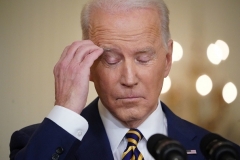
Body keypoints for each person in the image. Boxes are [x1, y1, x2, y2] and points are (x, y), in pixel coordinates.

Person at [9, 0, 240, 160]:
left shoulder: (218, 151)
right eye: (111, 59)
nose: (129, 79)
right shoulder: (35, 144)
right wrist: (66, 110)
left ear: (168, 60)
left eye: (143, 58)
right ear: (89, 65)